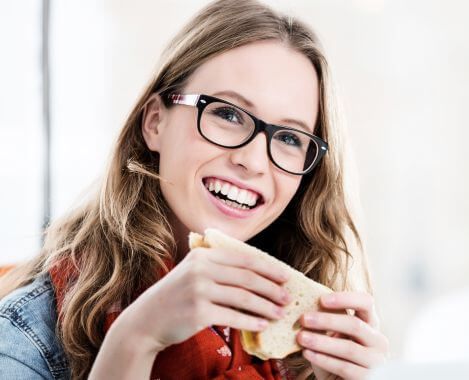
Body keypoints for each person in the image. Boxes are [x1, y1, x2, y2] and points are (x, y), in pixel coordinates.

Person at [0, 0, 388, 378]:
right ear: (155, 123)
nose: (252, 161)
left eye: (289, 138)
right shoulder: (25, 336)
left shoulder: (294, 349)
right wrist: (136, 338)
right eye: (227, 114)